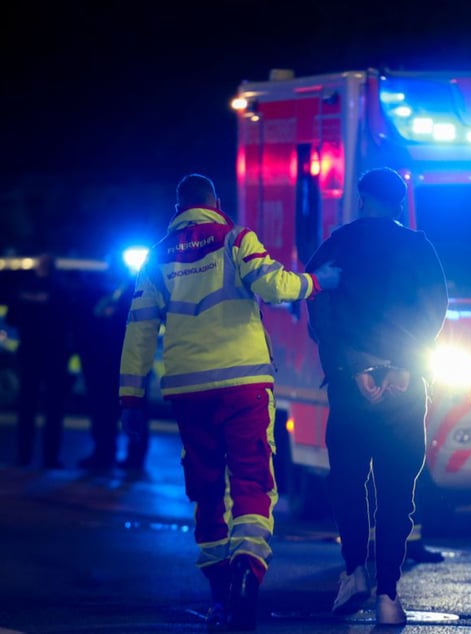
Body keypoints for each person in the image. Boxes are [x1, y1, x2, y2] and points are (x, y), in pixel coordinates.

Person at [118, 174, 341, 632]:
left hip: (188, 389)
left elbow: (138, 331)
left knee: (205, 486)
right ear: (215, 202)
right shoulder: (236, 239)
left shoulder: (156, 257)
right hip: (243, 383)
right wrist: (318, 283)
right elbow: (276, 286)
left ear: (177, 208)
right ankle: (248, 568)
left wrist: (131, 399)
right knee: (253, 478)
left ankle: (219, 594)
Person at [305, 167, 448, 625]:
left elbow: (317, 303)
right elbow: (435, 311)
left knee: (348, 483)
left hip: (352, 387)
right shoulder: (420, 246)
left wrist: (353, 368)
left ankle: (354, 571)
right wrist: (405, 366)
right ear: (401, 203)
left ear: (363, 198)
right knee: (396, 493)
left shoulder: (339, 243)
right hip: (406, 390)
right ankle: (389, 595)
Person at [8, 253, 73, 469]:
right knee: (53, 409)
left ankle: (23, 456)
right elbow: (68, 320)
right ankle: (50, 458)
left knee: (26, 409)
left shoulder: (25, 288)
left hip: (29, 353)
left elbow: (12, 318)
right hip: (53, 356)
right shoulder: (61, 289)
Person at [77, 262, 144, 471]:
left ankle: (129, 456)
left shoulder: (134, 290)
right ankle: (105, 452)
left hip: (125, 361)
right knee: (105, 410)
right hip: (108, 361)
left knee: (129, 410)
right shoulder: (101, 291)